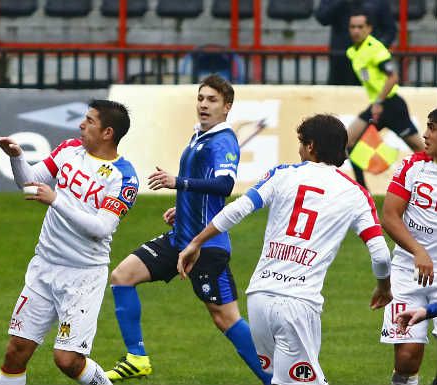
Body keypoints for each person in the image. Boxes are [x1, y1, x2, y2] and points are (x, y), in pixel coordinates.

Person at [178, 113, 392, 385]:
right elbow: (381, 255)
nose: (299, 149)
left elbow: (238, 208)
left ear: (312, 146)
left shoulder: (282, 174)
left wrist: (196, 241)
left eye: (302, 143)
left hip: (258, 299)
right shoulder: (356, 194)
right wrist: (384, 287)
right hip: (297, 304)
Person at [105, 74, 270, 384]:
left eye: (212, 100)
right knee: (122, 277)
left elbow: (224, 185)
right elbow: (203, 193)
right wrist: (181, 209)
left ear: (227, 107)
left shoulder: (223, 140)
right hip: (180, 237)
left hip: (207, 247)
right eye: (201, 98)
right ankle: (137, 358)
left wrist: (177, 183)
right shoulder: (199, 137)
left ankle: (274, 378)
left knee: (226, 318)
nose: (204, 105)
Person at [0, 100, 138, 385]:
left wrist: (57, 200)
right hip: (44, 267)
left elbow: (101, 228)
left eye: (89, 121)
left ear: (107, 132)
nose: (81, 125)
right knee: (16, 352)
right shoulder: (69, 150)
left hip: (83, 276)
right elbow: (31, 183)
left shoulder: (125, 177)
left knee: (68, 360)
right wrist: (17, 157)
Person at [380, 108, 437, 385]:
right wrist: (418, 251)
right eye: (427, 127)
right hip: (408, 270)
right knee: (406, 357)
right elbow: (389, 215)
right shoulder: (411, 166)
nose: (425, 134)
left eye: (433, 128)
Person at [345, 9, 423, 189]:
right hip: (377, 106)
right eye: (352, 27)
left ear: (369, 28)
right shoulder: (352, 51)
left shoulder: (376, 49)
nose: (356, 30)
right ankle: (362, 190)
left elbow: (393, 77)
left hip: (391, 105)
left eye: (360, 27)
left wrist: (379, 102)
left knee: (422, 151)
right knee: (348, 141)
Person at [315, 0, 396, 86]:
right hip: (341, 59)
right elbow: (322, 17)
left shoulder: (379, 3)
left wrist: (375, 50)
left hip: (367, 62)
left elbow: (390, 30)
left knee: (367, 89)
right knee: (339, 93)